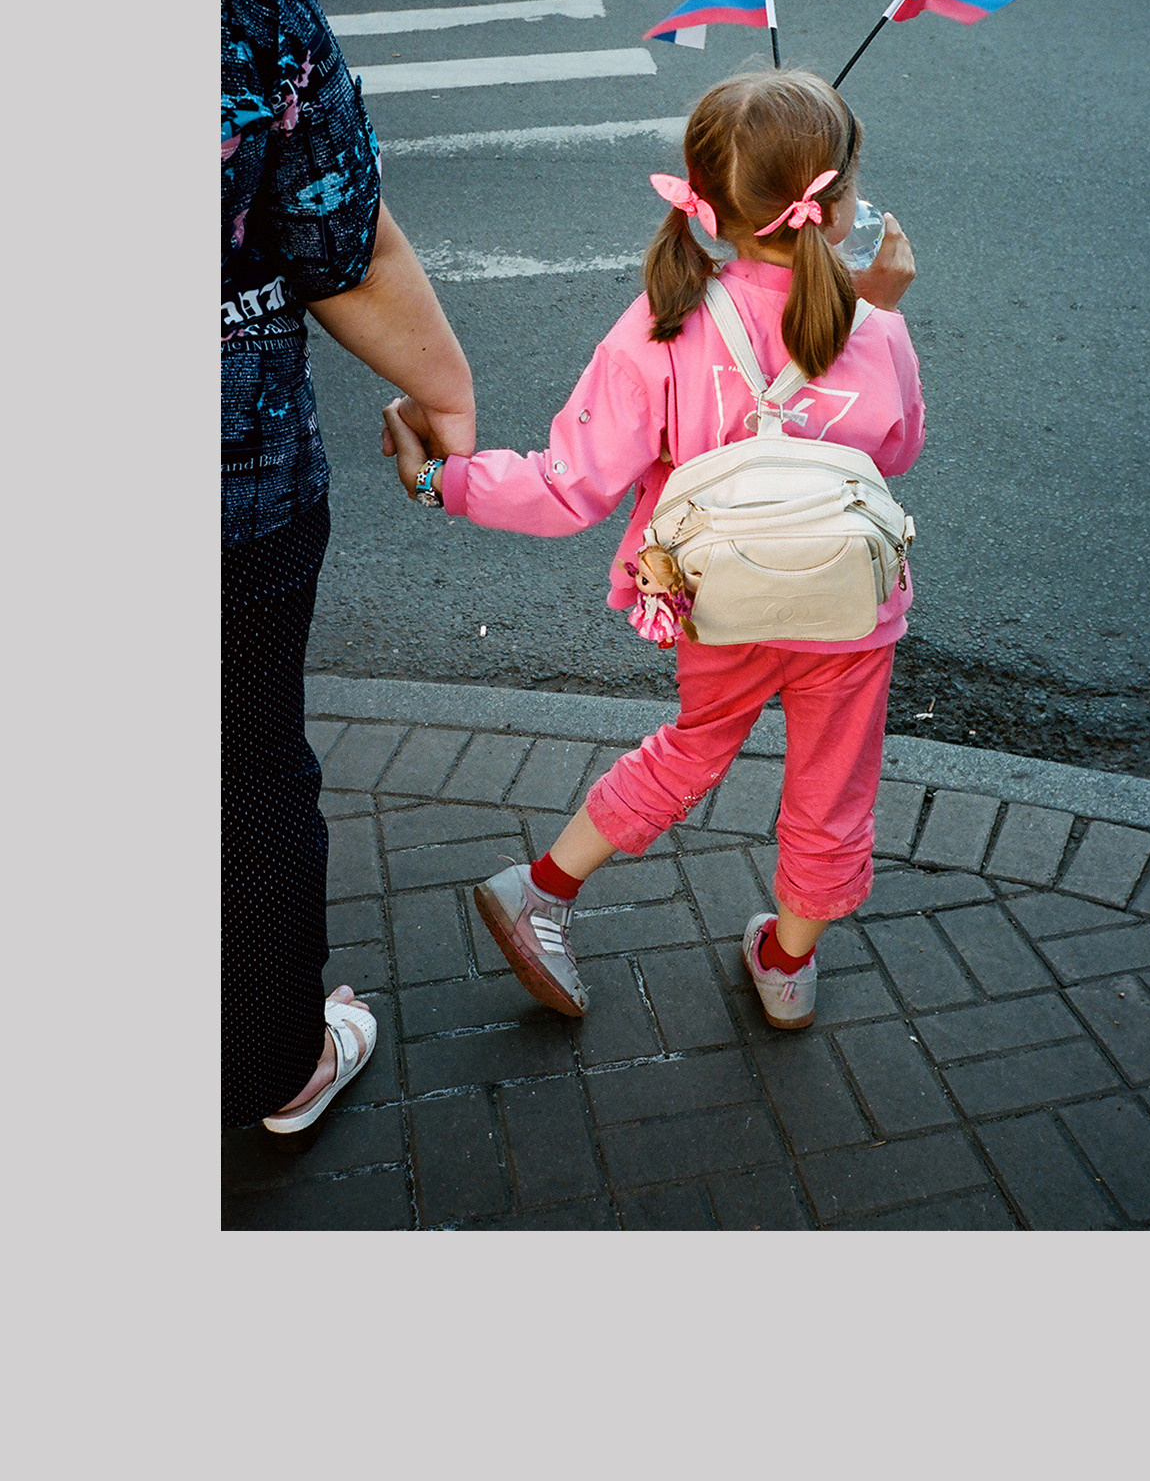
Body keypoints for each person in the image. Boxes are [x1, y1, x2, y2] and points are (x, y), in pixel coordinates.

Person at [384, 69, 918, 1031]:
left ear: (705, 207)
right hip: (849, 612)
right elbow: (897, 452)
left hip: (718, 604)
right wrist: (881, 311)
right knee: (834, 787)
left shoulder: (658, 327)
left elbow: (567, 486)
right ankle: (787, 965)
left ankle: (543, 887)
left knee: (692, 748)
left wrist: (439, 480)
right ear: (836, 211)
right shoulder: (875, 328)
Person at [222, 0, 476, 1131]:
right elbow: (335, 236)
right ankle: (273, 1060)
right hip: (227, 483)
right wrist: (443, 397)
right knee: (241, 765)